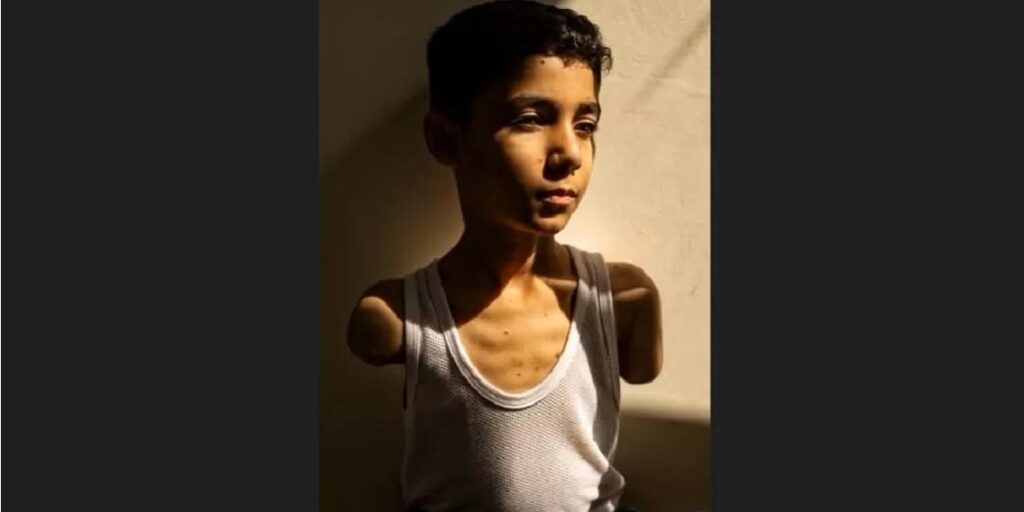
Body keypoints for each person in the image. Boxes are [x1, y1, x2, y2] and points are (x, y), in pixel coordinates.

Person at [346, 1, 663, 510]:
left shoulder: (623, 301)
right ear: (446, 140)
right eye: (530, 119)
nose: (569, 153)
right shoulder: (398, 316)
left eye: (585, 125)